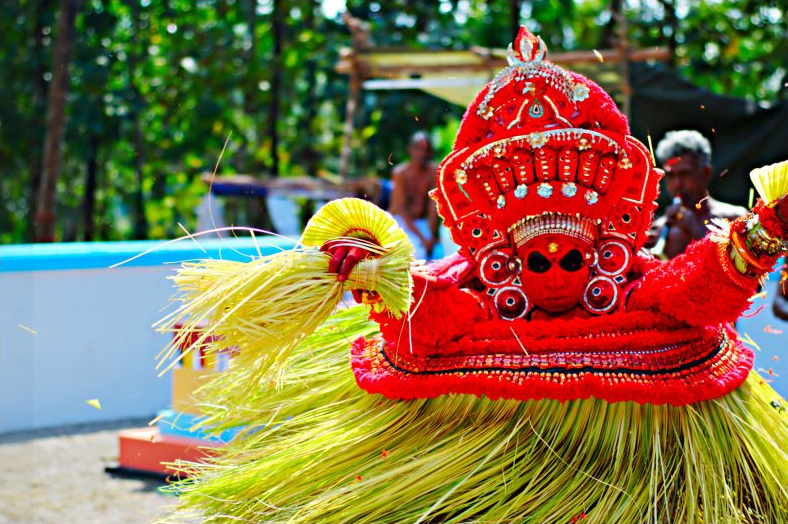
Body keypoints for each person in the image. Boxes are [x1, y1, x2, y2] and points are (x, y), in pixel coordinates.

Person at [163, 28, 788, 524]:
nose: (553, 278)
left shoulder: (637, 282)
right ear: (508, 256)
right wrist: (375, 275)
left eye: (569, 259)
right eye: (538, 262)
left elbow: (691, 294)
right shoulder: (472, 290)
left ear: (599, 247)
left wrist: (759, 235)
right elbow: (427, 317)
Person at [649, 130, 747, 259]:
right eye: (670, 175)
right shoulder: (658, 229)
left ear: (706, 173)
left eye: (685, 174)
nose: (677, 184)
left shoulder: (735, 219)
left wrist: (697, 231)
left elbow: (744, 269)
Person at [388, 131, 440, 260]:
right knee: (416, 254)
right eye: (418, 148)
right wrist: (423, 239)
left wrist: (432, 237)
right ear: (410, 150)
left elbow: (433, 207)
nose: (422, 153)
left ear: (431, 152)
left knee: (435, 255)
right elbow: (401, 209)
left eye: (425, 149)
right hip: (400, 221)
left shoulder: (434, 172)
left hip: (421, 223)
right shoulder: (400, 173)